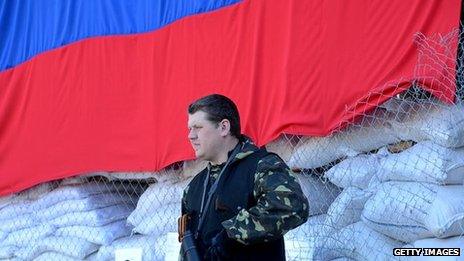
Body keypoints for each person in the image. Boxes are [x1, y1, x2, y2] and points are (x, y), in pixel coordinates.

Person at [180, 94, 309, 261]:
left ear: (223, 127)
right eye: (190, 129)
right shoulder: (193, 189)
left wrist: (232, 234)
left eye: (198, 127)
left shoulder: (261, 165)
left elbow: (294, 206)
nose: (191, 136)